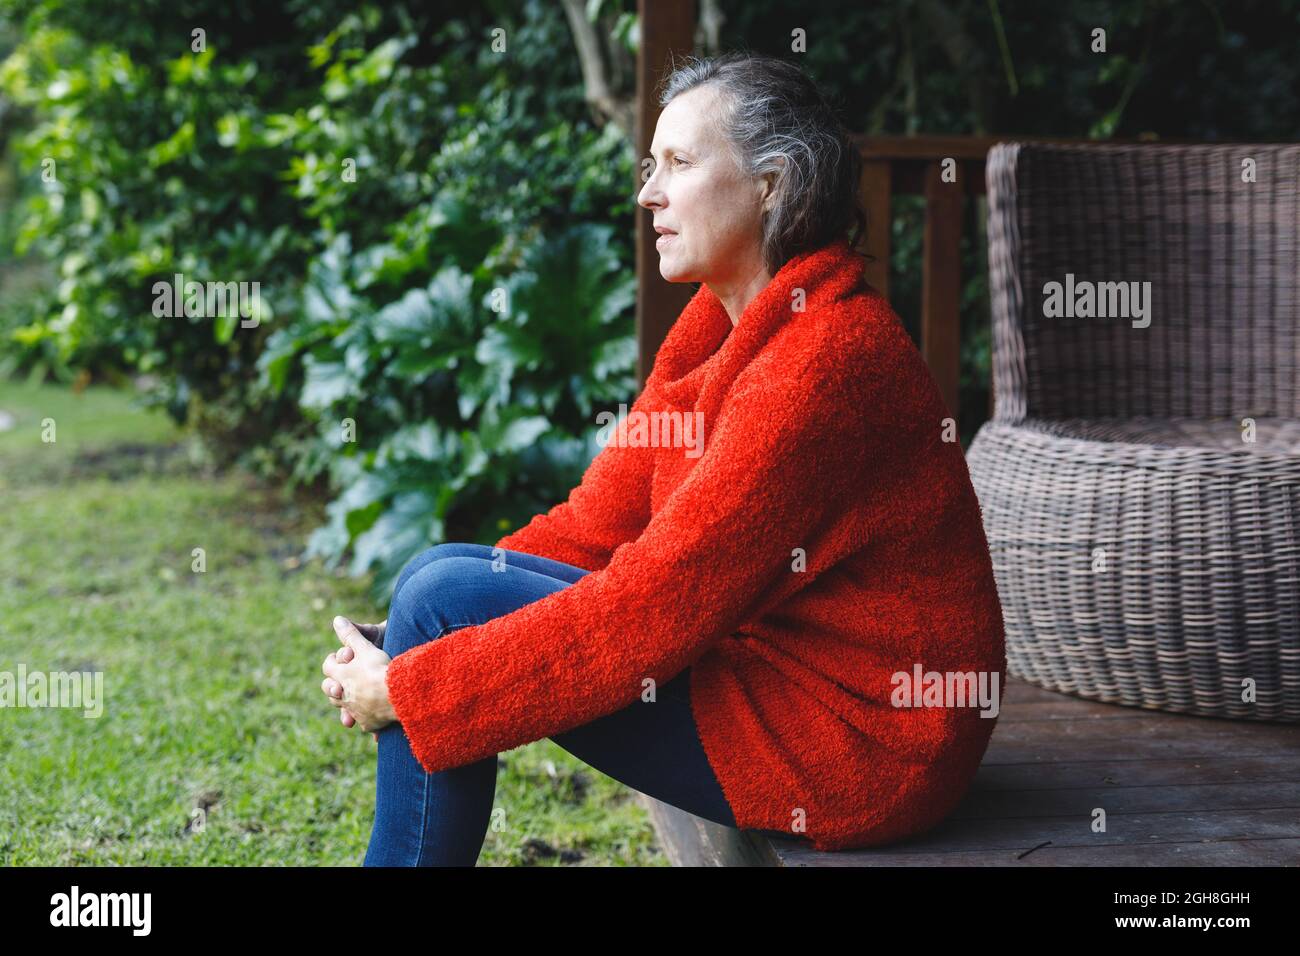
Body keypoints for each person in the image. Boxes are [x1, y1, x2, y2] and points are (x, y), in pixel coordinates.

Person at [321, 52, 1006, 866]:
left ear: (773, 185)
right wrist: (412, 638)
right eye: (652, 165)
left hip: (865, 739)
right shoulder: (713, 329)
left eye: (679, 163)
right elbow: (592, 527)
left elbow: (654, 610)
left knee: (441, 600)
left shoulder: (828, 360)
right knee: (431, 589)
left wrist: (413, 684)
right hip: (770, 666)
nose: (648, 192)